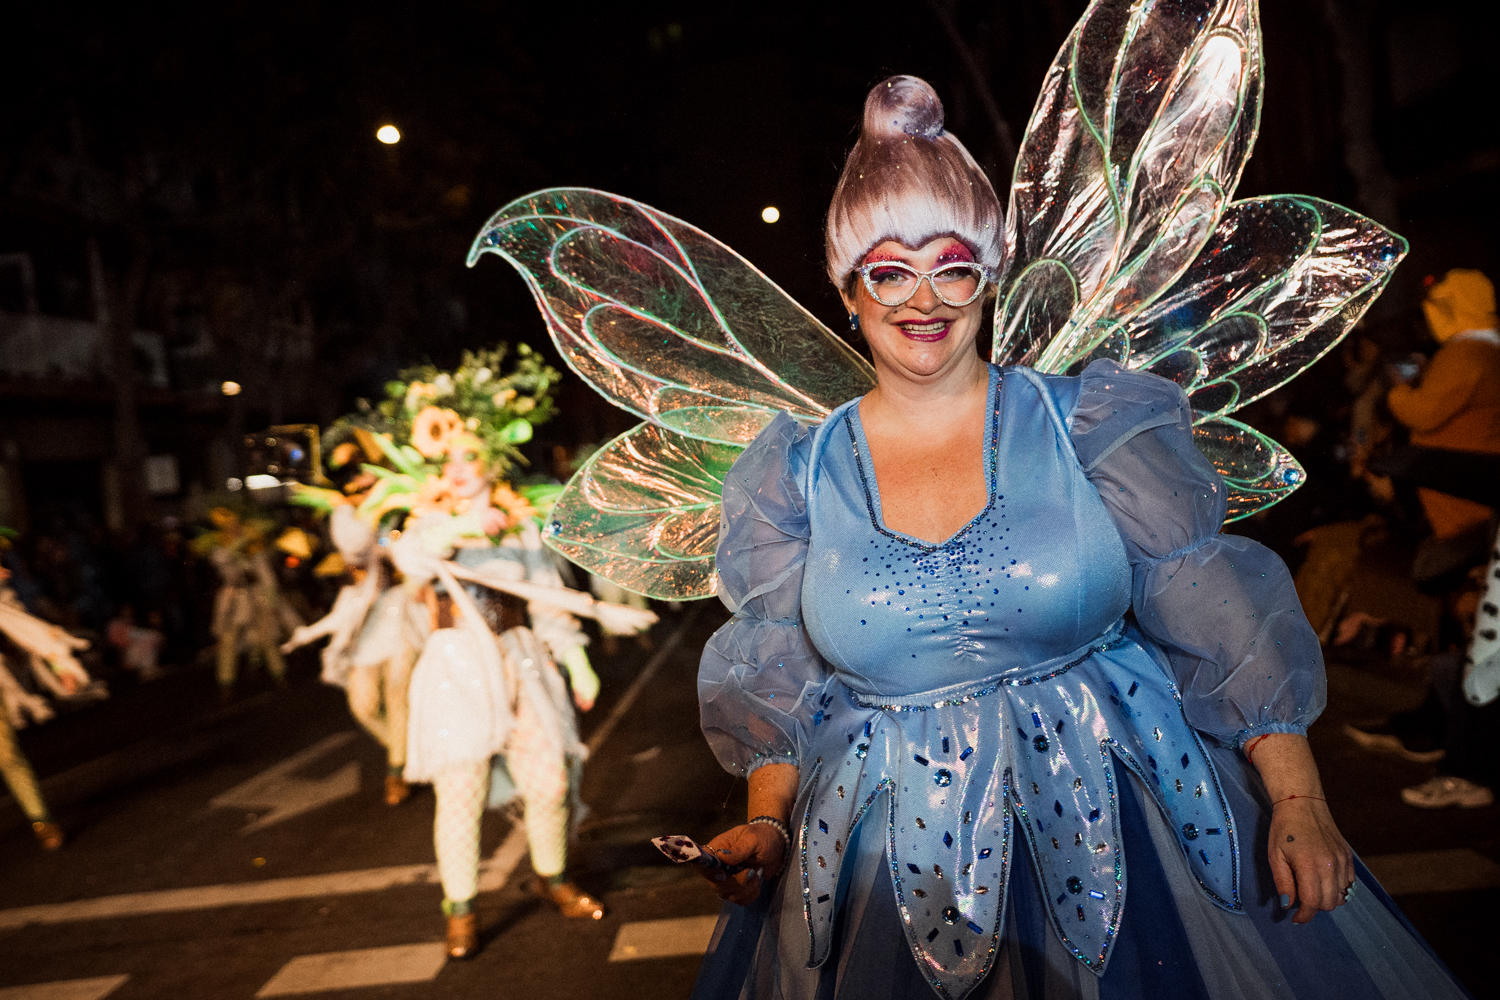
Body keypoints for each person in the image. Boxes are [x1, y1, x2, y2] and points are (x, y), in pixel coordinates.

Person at [681, 78, 1469, 1000]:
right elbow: (780, 670)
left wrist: (1299, 798)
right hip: (889, 850)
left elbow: (1212, 613)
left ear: (989, 275)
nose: (924, 299)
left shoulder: (1092, 422)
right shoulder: (795, 475)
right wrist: (768, 824)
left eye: (952, 266)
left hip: (1126, 814)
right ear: (848, 287)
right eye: (890, 270)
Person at [394, 431, 653, 959]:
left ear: (494, 462)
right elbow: (414, 560)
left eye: (471, 455)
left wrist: (578, 662)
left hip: (520, 658)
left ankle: (552, 878)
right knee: (460, 794)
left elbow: (549, 601)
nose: (458, 467)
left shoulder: (521, 524)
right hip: (456, 667)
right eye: (448, 457)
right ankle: (460, 911)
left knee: (550, 781)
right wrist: (462, 527)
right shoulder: (426, 521)